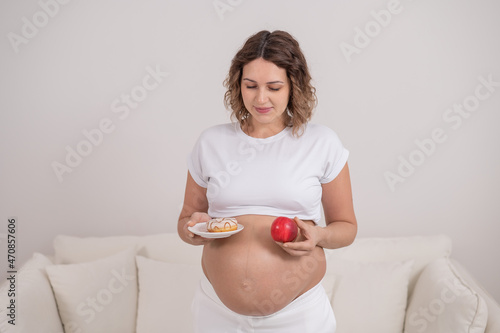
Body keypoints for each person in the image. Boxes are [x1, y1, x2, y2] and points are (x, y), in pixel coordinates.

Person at [178, 30, 357, 333]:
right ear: (238, 85)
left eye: (274, 87)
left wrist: (319, 237)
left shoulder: (321, 142)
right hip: (216, 312)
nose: (261, 98)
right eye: (251, 86)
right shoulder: (211, 142)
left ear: (293, 87)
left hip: (298, 315)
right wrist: (193, 229)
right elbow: (186, 221)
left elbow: (346, 228)